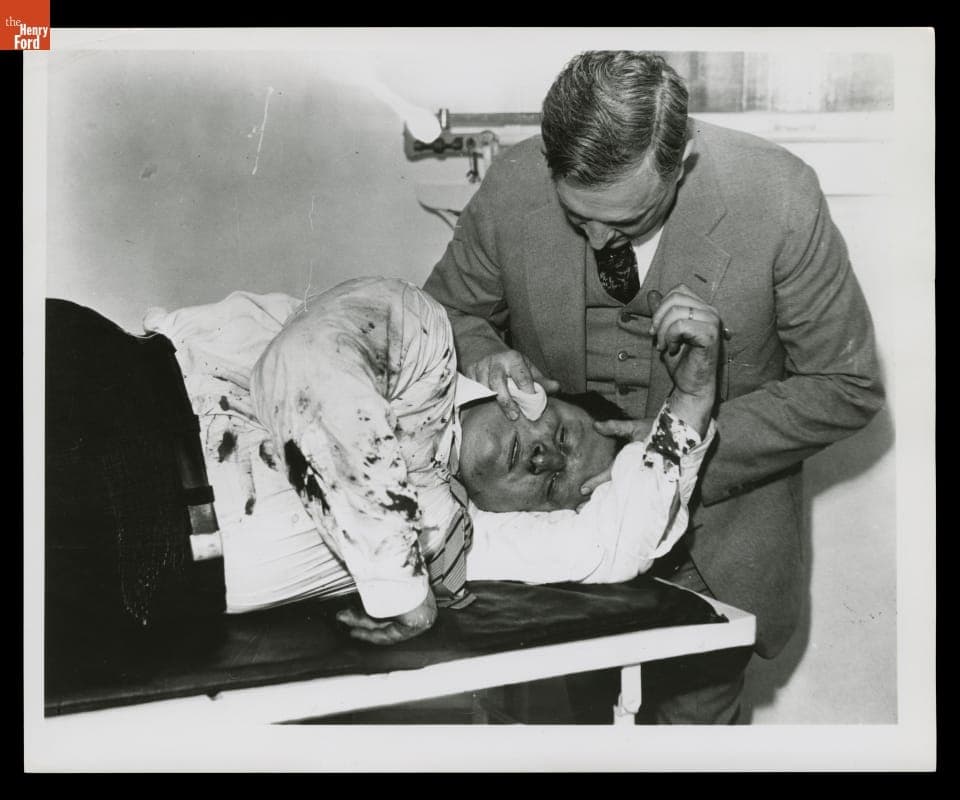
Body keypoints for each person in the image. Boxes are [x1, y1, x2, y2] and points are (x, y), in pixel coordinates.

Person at [423, 50, 885, 722]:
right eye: (580, 218)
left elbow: (847, 383)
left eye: (630, 220)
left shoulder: (780, 197)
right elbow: (442, 319)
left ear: (683, 158)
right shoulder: (513, 183)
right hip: (553, 546)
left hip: (713, 546)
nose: (603, 237)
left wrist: (677, 448)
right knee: (555, 728)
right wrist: (484, 353)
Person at [45, 276, 722, 649]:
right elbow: (312, 384)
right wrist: (405, 597)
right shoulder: (415, 334)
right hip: (98, 419)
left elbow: (614, 541)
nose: (546, 461)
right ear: (530, 390)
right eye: (565, 438)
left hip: (127, 580)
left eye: (553, 488)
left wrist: (691, 400)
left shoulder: (458, 540)